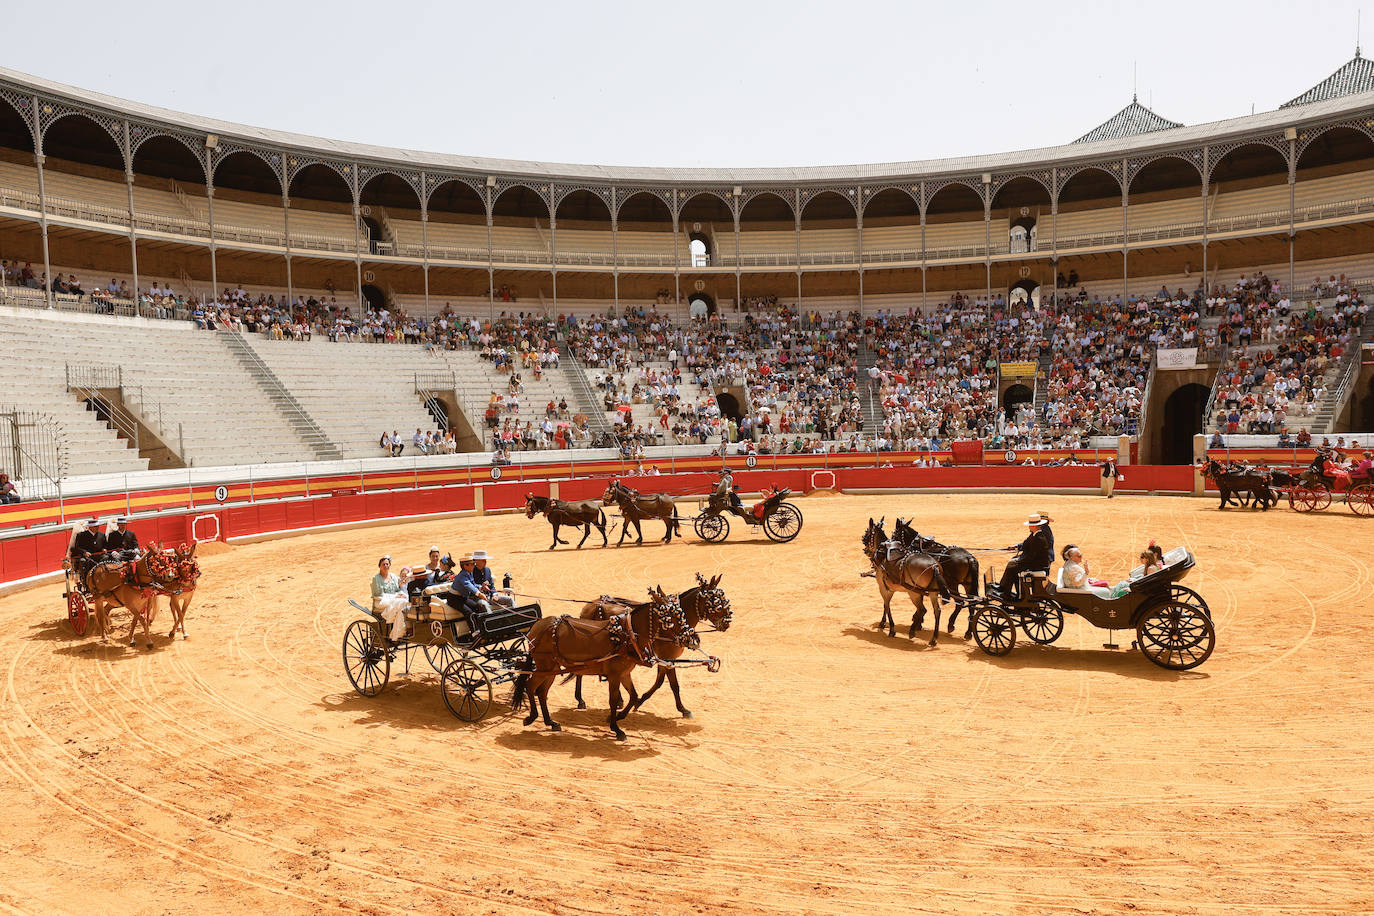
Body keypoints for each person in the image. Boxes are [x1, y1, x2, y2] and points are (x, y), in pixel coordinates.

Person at [994, 514, 1052, 598]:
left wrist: (1019, 561)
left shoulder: (1038, 538)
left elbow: (1031, 556)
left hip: (1036, 565)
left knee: (1012, 568)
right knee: (1012, 562)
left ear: (1034, 526)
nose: (1029, 527)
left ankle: (1005, 592)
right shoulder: (1035, 535)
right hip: (1034, 562)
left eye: (1030, 525)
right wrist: (1017, 547)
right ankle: (1003, 588)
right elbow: (1027, 544)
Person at [370, 556, 409, 640]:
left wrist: (401, 594)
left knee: (403, 604)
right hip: (381, 602)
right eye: (383, 564)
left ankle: (396, 633)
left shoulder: (394, 577)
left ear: (390, 565)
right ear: (379, 566)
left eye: (387, 564)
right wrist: (395, 596)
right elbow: (378, 594)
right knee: (402, 604)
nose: (385, 566)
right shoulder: (376, 579)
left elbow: (398, 589)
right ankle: (397, 633)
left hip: (393, 600)